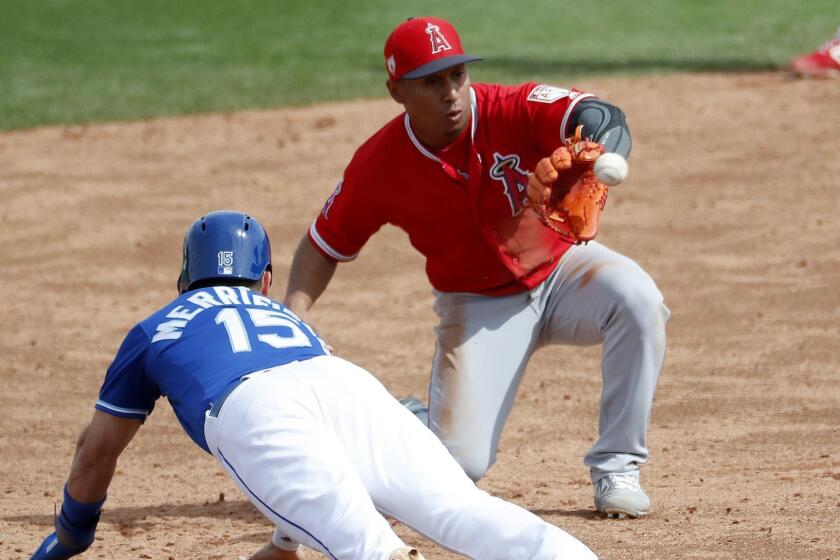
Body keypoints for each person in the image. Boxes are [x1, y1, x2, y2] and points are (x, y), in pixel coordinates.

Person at [29, 210, 597, 560]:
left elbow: (95, 452)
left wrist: (73, 534)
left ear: (182, 282)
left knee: (368, 548)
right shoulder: (290, 319)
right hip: (347, 383)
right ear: (265, 281)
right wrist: (285, 540)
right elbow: (324, 440)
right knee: (466, 511)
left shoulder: (157, 326)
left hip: (251, 405)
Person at [284, 16, 670, 520]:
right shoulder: (379, 165)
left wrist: (599, 149)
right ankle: (406, 422)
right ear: (396, 91)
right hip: (477, 305)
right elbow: (324, 242)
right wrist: (293, 312)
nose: (451, 93)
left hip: (564, 272)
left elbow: (596, 113)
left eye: (457, 76)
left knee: (638, 300)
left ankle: (617, 465)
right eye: (431, 82)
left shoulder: (509, 108)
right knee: (457, 466)